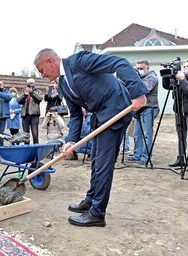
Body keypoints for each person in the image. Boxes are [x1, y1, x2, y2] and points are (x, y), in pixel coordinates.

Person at [34, 48, 147, 227]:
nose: (42, 76)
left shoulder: (79, 61)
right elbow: (76, 114)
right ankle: (90, 200)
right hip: (99, 115)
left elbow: (120, 63)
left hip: (116, 108)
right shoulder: (62, 84)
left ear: (50, 61)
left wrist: (137, 93)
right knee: (96, 160)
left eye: (41, 70)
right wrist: (71, 140)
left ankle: (97, 213)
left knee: (103, 164)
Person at [127, 60, 159, 166]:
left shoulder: (151, 78)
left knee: (147, 135)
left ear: (147, 68)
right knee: (137, 134)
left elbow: (144, 89)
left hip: (149, 108)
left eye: (141, 69)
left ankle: (145, 157)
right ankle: (137, 155)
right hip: (139, 109)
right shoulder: (141, 78)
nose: (139, 71)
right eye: (137, 69)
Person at [169, 61, 188, 167]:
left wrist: (183, 80)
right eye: (184, 67)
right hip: (180, 111)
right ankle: (181, 158)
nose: (185, 69)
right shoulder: (181, 80)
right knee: (181, 136)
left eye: (187, 67)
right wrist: (169, 76)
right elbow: (168, 87)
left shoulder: (183, 80)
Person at [17, 78, 43, 144]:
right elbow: (19, 101)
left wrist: (32, 93)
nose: (30, 84)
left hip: (34, 115)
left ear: (34, 84)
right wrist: (25, 95)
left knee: (35, 134)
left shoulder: (38, 91)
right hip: (25, 115)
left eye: (31, 83)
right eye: (28, 83)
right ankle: (27, 148)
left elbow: (39, 99)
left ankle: (36, 148)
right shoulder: (24, 91)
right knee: (25, 135)